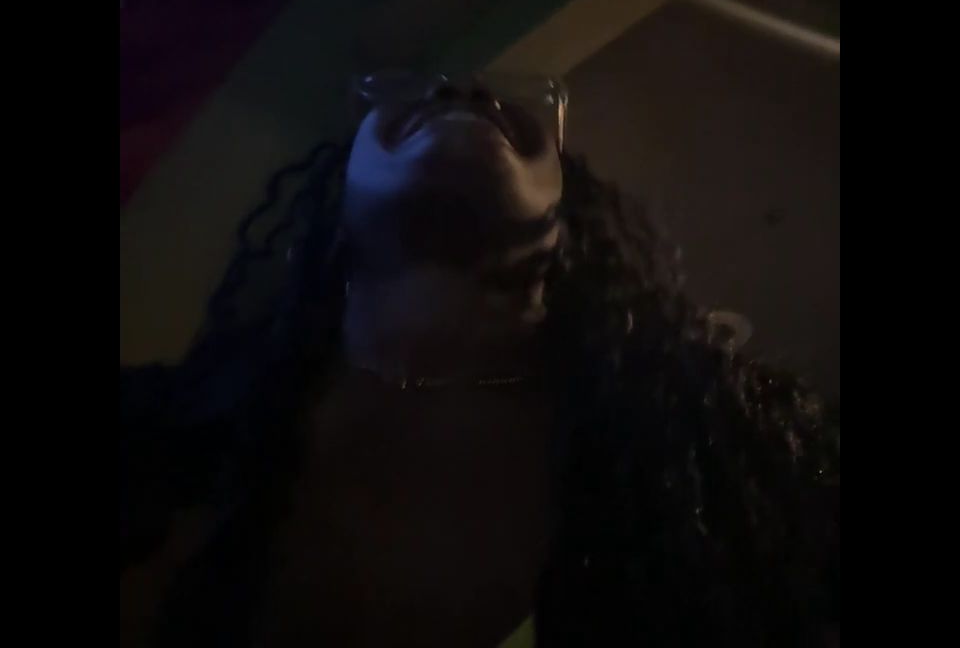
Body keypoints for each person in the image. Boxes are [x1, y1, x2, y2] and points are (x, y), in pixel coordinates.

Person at [120, 72, 839, 648]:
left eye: (502, 102)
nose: (461, 91)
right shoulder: (156, 438)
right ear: (333, 222)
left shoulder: (715, 457)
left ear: (569, 231)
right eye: (411, 93)